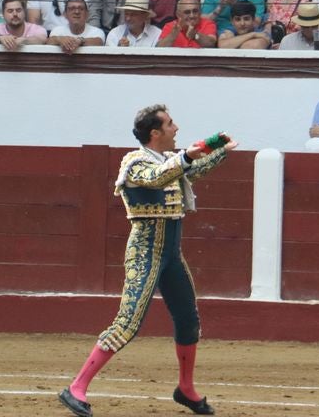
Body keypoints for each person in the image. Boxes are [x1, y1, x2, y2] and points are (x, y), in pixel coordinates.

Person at [59, 104, 233, 417]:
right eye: (170, 124)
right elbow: (156, 179)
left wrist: (220, 148)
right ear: (155, 133)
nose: (176, 128)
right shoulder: (135, 162)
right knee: (127, 323)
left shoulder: (169, 159)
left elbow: (193, 168)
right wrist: (197, 151)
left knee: (188, 320)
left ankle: (186, 389)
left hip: (171, 253)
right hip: (145, 251)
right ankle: (76, 387)